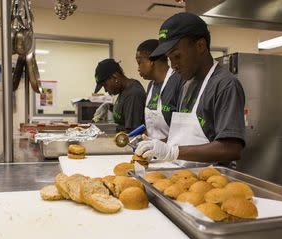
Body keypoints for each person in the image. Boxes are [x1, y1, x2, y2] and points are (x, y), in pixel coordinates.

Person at [135, 12, 246, 164]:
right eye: (170, 58)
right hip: (181, 173)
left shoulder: (224, 85)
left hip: (208, 179)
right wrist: (157, 146)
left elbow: (231, 148)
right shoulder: (185, 83)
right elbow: (182, 137)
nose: (173, 66)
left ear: (200, 46)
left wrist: (172, 152)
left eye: (177, 56)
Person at [135, 39, 183, 140]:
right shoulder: (151, 86)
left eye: (139, 63)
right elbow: (151, 126)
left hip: (173, 152)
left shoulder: (178, 82)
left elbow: (183, 132)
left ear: (151, 61)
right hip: (153, 151)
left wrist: (159, 146)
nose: (138, 68)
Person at [93, 58, 146, 132]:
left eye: (105, 85)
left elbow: (132, 132)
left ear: (115, 77)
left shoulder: (133, 94)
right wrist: (109, 107)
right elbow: (124, 111)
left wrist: (106, 128)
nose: (105, 90)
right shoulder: (124, 90)